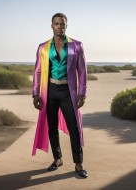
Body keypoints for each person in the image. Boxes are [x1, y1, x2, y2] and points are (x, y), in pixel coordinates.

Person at [31, 13, 88, 178]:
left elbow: (82, 70)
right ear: (52, 26)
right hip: (49, 91)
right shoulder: (43, 47)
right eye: (56, 24)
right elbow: (37, 71)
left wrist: (82, 93)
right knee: (52, 126)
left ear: (66, 26)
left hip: (67, 92)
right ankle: (57, 158)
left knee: (74, 128)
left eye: (62, 24)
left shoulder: (76, 46)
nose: (59, 26)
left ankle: (78, 163)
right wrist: (35, 93)